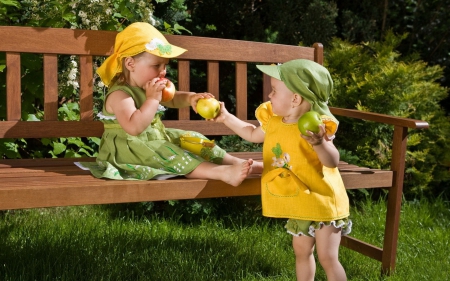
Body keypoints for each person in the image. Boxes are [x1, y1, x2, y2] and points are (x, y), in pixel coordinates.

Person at [213, 59, 352, 281]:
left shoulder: (315, 127)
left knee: (327, 257)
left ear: (295, 99)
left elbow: (332, 161)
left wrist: (319, 143)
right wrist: (225, 117)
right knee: (302, 253)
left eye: (274, 91)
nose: (269, 96)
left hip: (324, 201)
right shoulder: (275, 122)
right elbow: (251, 133)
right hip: (299, 203)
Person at [79, 22, 262, 187]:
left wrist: (190, 98)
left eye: (165, 65)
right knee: (171, 154)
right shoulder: (120, 95)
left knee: (192, 138)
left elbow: (172, 98)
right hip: (130, 150)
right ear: (130, 63)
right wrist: (152, 100)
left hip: (156, 140)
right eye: (156, 65)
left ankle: (234, 162)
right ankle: (221, 172)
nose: (163, 71)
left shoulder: (148, 87)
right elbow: (134, 127)